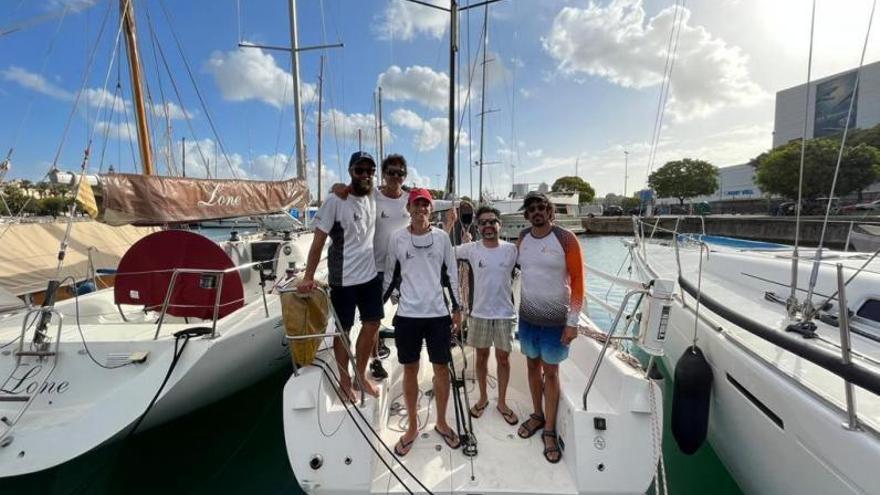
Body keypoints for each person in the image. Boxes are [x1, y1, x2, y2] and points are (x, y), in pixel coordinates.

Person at [383, 188, 463, 456]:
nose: (420, 209)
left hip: (438, 315)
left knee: (441, 370)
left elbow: (452, 275)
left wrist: (458, 307)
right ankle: (412, 427)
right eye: (416, 205)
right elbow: (390, 277)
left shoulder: (442, 239)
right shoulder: (397, 238)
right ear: (409, 208)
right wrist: (375, 310)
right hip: (407, 316)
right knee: (410, 371)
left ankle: (441, 421)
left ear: (431, 209)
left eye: (425, 205)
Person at [297, 151, 382, 401]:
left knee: (372, 324)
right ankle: (344, 379)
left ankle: (360, 374)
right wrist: (308, 276)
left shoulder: (374, 196)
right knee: (343, 331)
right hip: (343, 280)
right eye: (360, 170)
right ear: (350, 171)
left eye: (370, 170)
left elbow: (398, 192)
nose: (365, 175)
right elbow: (318, 242)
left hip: (369, 277)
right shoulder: (335, 200)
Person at [515, 191, 584, 464]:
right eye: (531, 208)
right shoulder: (522, 238)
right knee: (532, 366)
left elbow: (578, 281)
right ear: (526, 215)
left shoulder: (566, 238)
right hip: (528, 317)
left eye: (541, 207)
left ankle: (549, 430)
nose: (536, 212)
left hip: (556, 320)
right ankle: (536, 414)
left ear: (550, 211)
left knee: (551, 373)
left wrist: (573, 322)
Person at [330, 154, 410, 380]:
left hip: (401, 269)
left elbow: (434, 204)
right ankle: (374, 359)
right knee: (372, 321)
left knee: (380, 318)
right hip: (373, 268)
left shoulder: (410, 197)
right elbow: (349, 192)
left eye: (400, 173)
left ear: (405, 176)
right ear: (383, 174)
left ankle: (390, 351)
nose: (396, 176)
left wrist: (460, 207)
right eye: (391, 172)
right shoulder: (373, 194)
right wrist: (335, 186)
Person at [451, 205, 519, 426]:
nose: (488, 226)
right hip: (479, 313)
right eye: (484, 223)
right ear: (478, 227)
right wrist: (450, 225)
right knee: (480, 357)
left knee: (503, 359)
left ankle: (502, 402)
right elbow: (444, 251)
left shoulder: (512, 250)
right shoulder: (470, 248)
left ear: (500, 224)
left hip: (505, 314)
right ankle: (482, 398)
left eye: (492, 221)